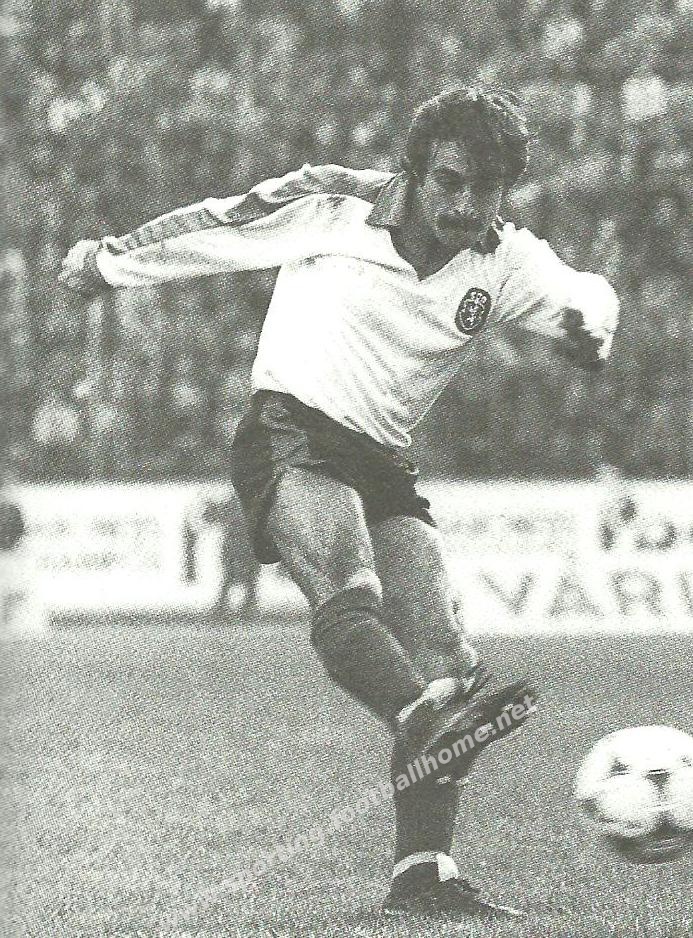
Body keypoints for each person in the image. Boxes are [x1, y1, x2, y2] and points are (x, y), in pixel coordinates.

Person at [60, 86, 619, 920]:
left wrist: (590, 328)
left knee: (446, 662)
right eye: (449, 182)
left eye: (486, 189)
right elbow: (219, 226)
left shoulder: (503, 260)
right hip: (290, 427)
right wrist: (107, 263)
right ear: (415, 171)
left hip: (382, 458)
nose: (464, 206)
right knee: (349, 585)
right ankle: (420, 719)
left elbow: (586, 290)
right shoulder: (333, 204)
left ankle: (422, 874)